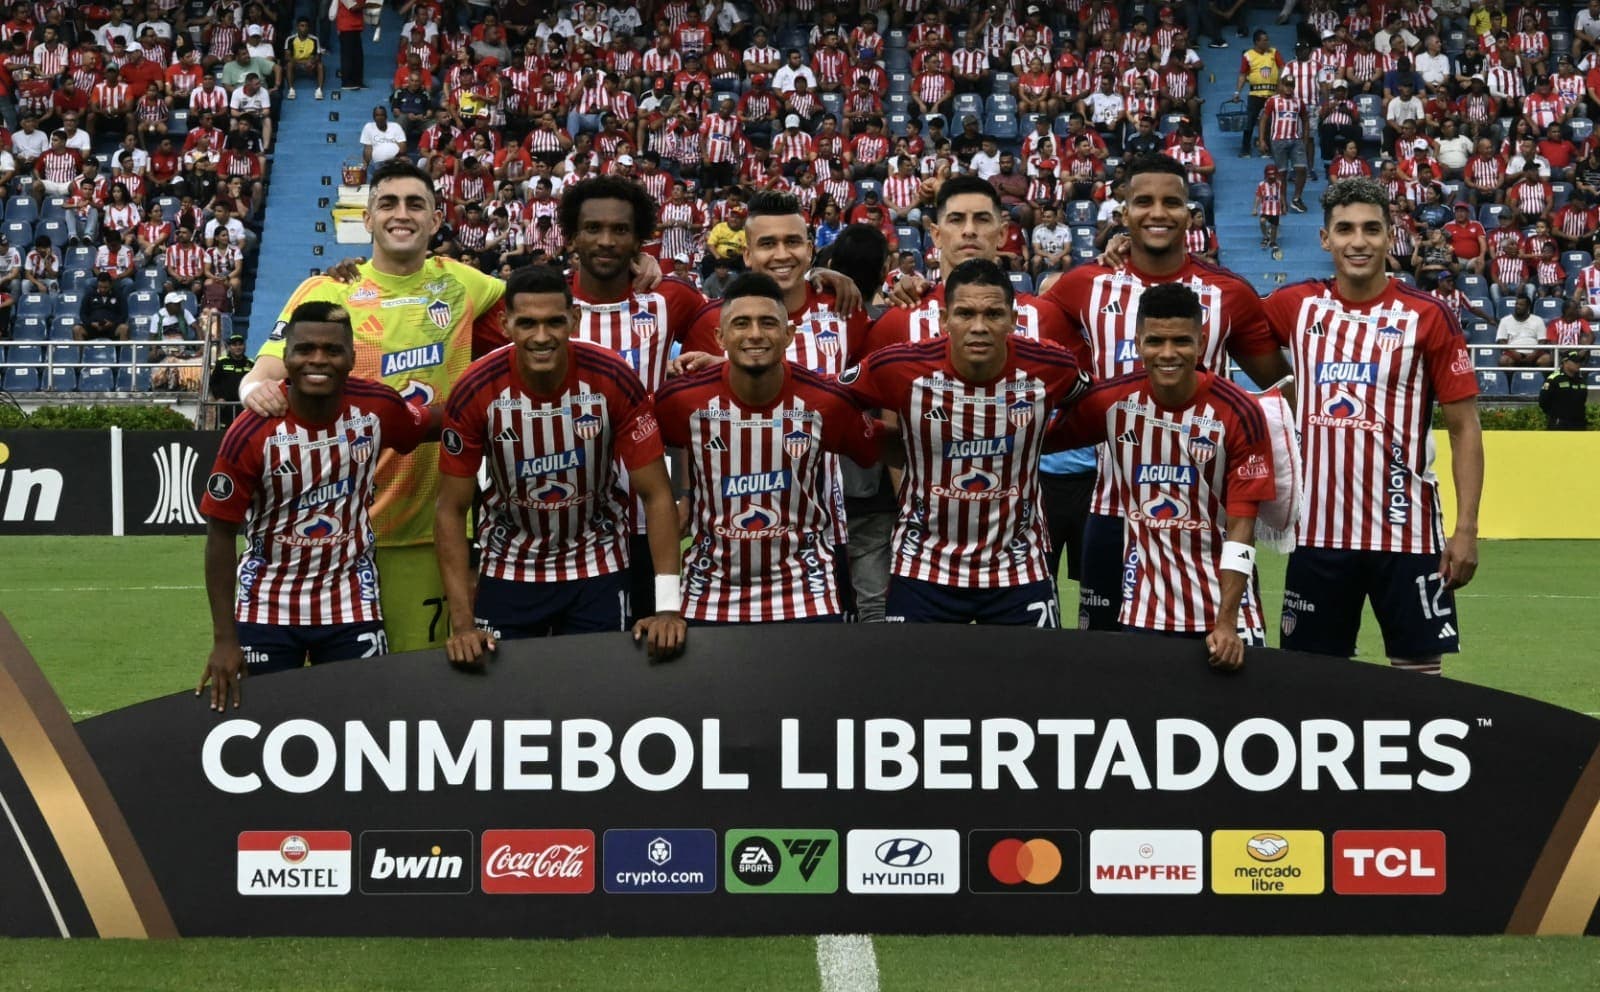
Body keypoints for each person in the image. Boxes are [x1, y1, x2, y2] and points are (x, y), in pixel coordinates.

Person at [237, 159, 508, 653]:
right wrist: (250, 394)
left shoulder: (464, 284)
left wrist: (644, 269)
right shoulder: (328, 290)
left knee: (418, 681)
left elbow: (548, 307)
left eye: (414, 204)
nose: (400, 215)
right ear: (367, 219)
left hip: (427, 531)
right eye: (387, 203)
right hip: (333, 532)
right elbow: (263, 375)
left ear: (435, 219)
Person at [1045, 154, 1291, 632]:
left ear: (1190, 214)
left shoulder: (1227, 294)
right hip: (1113, 511)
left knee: (1222, 663)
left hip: (1209, 522)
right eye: (1144, 202)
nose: (1157, 213)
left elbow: (1281, 388)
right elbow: (1010, 332)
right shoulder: (1083, 287)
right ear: (1124, 212)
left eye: (1171, 203)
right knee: (1109, 668)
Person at [1261, 177, 1483, 675]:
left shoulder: (1429, 316)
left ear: (1390, 236)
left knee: (1419, 680)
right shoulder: (1295, 306)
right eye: (1344, 230)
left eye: (1370, 229)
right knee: (1310, 683)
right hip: (1317, 535)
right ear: (1325, 238)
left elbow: (1465, 428)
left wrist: (1466, 530)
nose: (1357, 242)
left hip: (1407, 535)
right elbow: (1225, 325)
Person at [435, 265, 686, 664]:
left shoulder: (613, 377)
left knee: (598, 688)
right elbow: (451, 509)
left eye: (554, 322)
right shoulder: (475, 387)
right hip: (509, 565)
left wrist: (669, 607)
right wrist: (463, 624)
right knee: (509, 702)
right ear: (504, 324)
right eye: (527, 323)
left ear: (574, 319)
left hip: (597, 560)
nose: (541, 336)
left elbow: (656, 495)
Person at [196, 303, 434, 710]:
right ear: (285, 357)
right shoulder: (250, 433)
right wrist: (224, 639)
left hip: (350, 600)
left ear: (352, 358)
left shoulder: (378, 407)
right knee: (262, 725)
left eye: (332, 350)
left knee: (361, 723)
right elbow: (219, 538)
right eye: (305, 350)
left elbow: (434, 423)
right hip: (268, 603)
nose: (318, 360)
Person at [843, 257, 1088, 626]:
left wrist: (1043, 441)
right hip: (924, 566)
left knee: (1033, 684)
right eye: (965, 314)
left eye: (992, 314)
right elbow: (832, 404)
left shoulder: (1052, 366)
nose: (979, 327)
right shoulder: (898, 367)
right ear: (944, 320)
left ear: (1013, 319)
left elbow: (1090, 406)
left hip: (1019, 567)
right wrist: (882, 442)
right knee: (917, 684)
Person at [1045, 283, 1275, 669]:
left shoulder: (1239, 412)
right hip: (1145, 614)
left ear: (1202, 343)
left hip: (1227, 614)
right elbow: (1033, 441)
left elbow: (1241, 527)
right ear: (1137, 342)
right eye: (1155, 341)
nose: (1168, 354)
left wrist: (1226, 623)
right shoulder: (1111, 403)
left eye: (1181, 342)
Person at [654, 273, 881, 624]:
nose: (756, 334)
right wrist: (679, 491)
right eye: (741, 324)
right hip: (710, 593)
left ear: (789, 334)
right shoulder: (681, 400)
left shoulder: (826, 402)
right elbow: (655, 455)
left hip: (806, 592)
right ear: (720, 337)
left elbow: (877, 449)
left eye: (768, 323)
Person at [209, 333, 254, 427]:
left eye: (240, 344)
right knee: (223, 435)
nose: (238, 347)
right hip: (226, 407)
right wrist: (219, 397)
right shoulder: (221, 362)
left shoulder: (250, 363)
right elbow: (213, 382)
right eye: (234, 345)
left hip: (245, 407)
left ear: (244, 346)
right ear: (229, 347)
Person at [1540, 351, 1590, 429]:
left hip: (1579, 424)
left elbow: (1583, 401)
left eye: (1579, 361)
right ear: (1565, 362)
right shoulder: (1554, 379)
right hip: (1559, 423)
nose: (1578, 364)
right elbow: (1543, 402)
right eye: (1575, 361)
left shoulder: (1582, 380)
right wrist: (1556, 415)